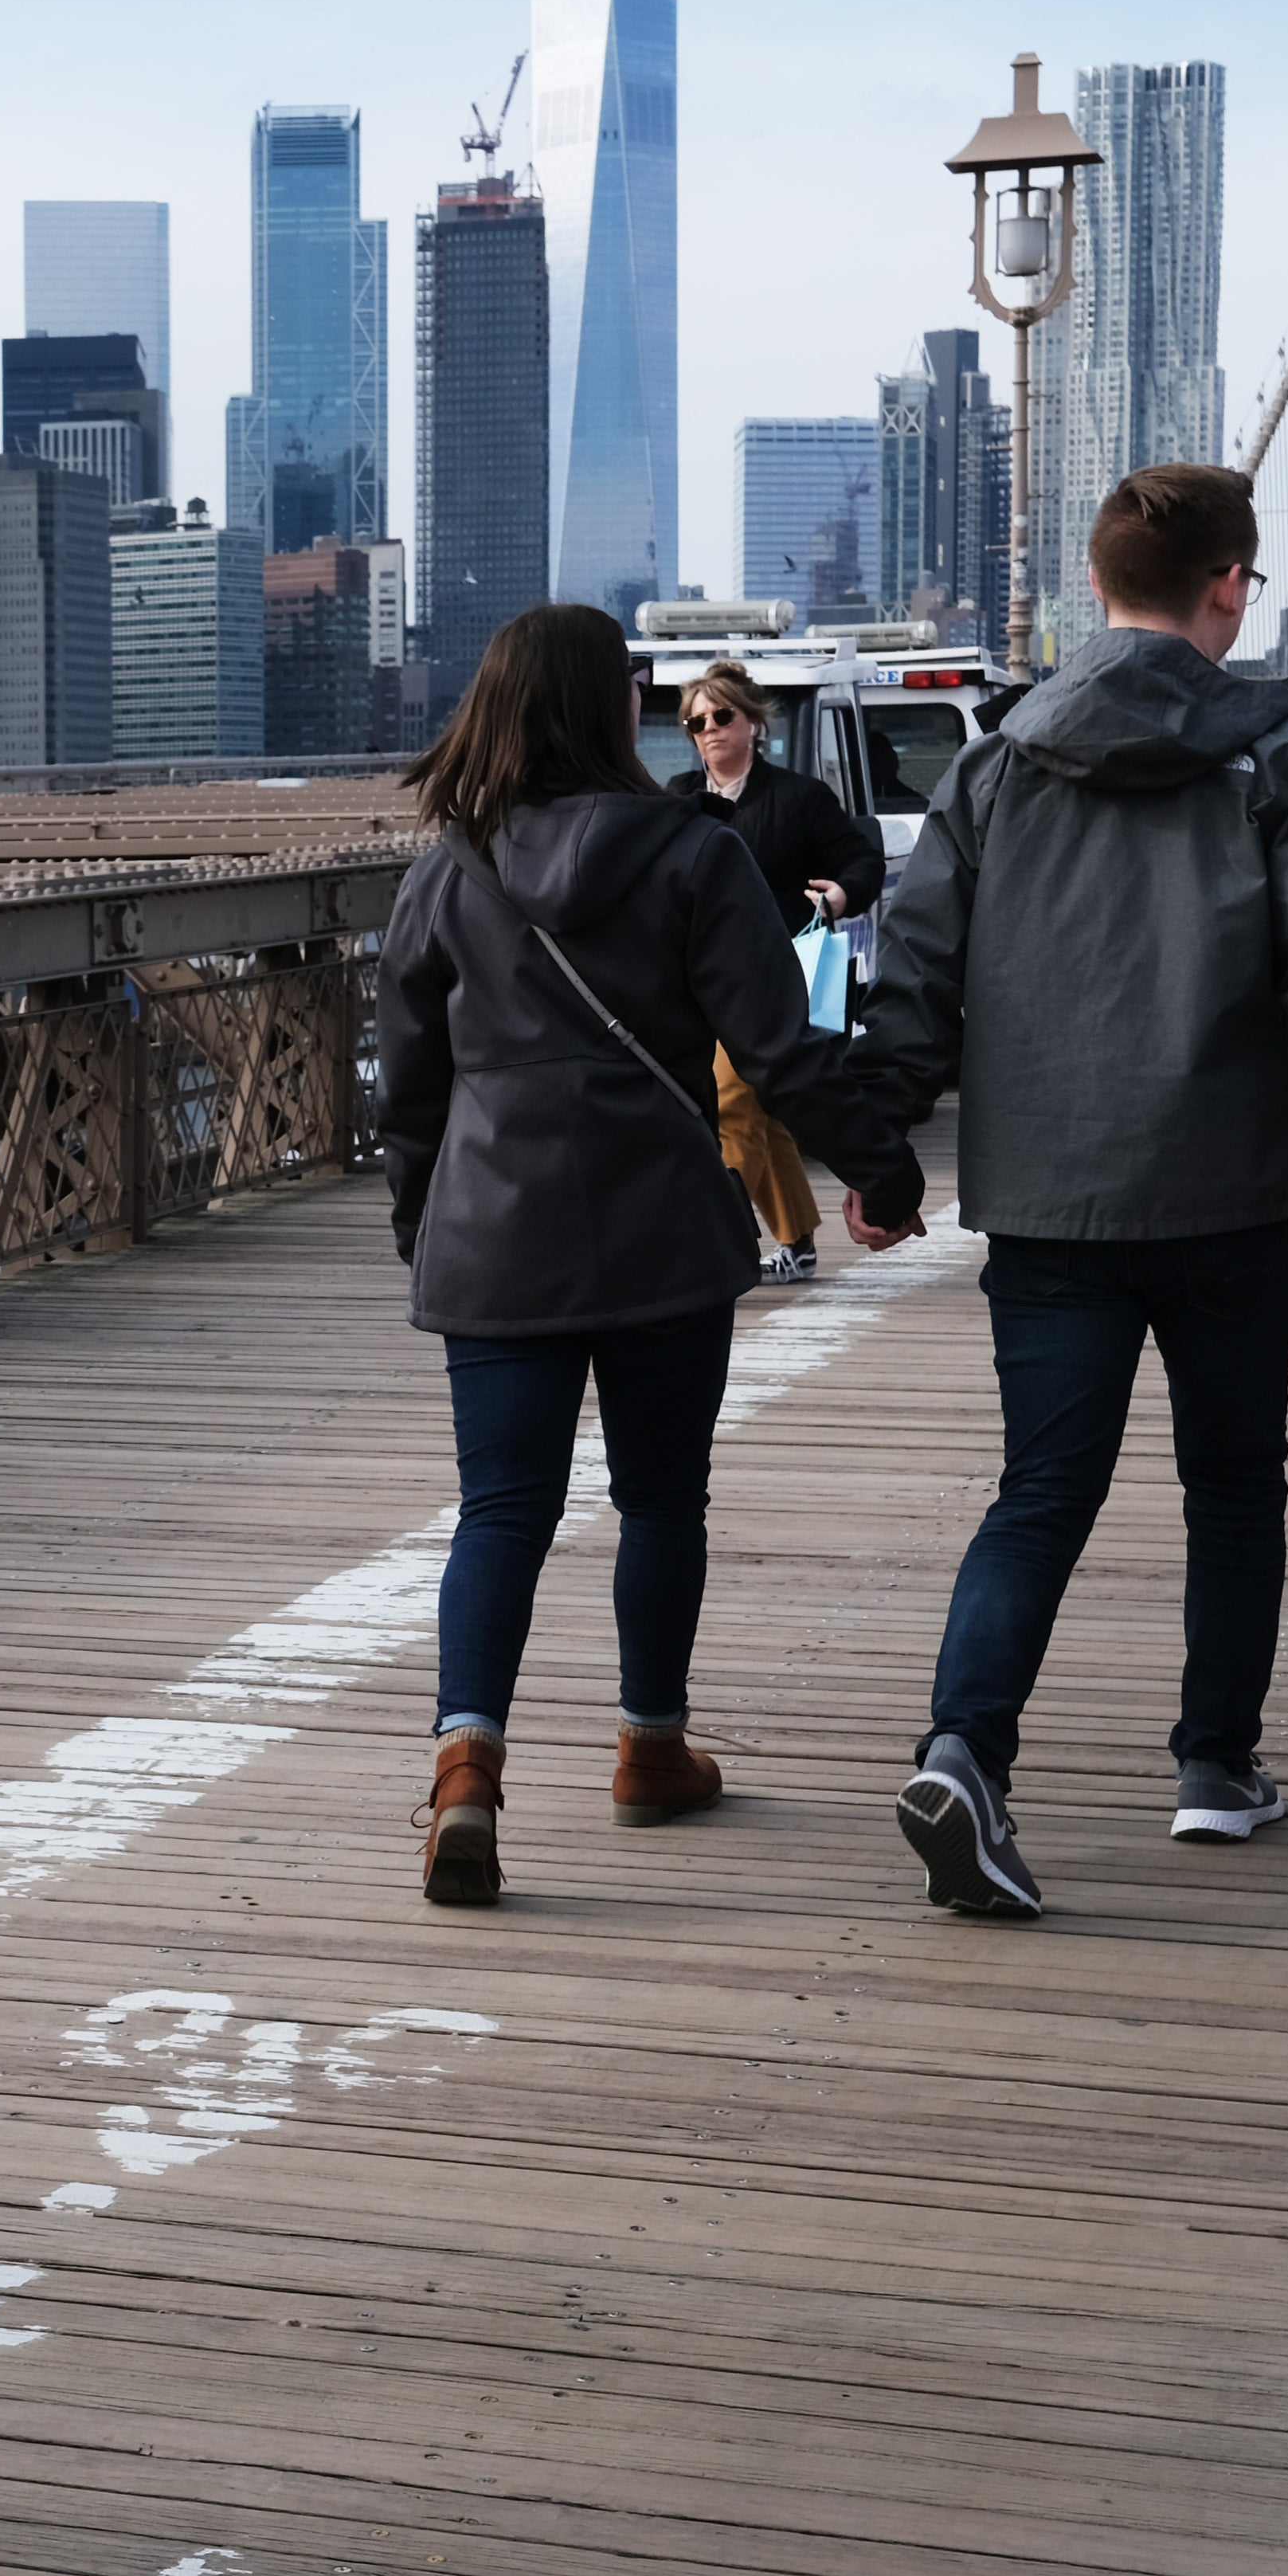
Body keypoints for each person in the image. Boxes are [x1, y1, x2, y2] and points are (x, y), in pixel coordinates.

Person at [848, 462, 1288, 1919]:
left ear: (1092, 590)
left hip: (1044, 1194)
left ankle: (962, 1755)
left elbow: (911, 976)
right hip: (1227, 1190)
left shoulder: (990, 766)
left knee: (1038, 1490)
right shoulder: (1277, 759)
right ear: (1227, 587)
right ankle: (1211, 1767)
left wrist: (873, 1156)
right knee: (1231, 1486)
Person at [378, 603, 927, 1908]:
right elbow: (785, 1049)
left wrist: (422, 1227)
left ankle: (464, 1766)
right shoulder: (691, 855)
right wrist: (882, 1169)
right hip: (658, 1235)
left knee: (500, 1506)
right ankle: (647, 1747)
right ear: (611, 710)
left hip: (494, 1237)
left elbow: (404, 1088)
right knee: (658, 1498)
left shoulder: (445, 867)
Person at [667, 660, 885, 1284]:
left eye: (720, 716)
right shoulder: (679, 801)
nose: (707, 729)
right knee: (765, 1114)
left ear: (752, 722)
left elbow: (860, 859)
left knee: (734, 1103)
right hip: (702, 984)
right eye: (694, 721)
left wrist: (840, 895)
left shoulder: (799, 799)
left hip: (778, 980)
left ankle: (719, 1244)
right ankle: (797, 1242)